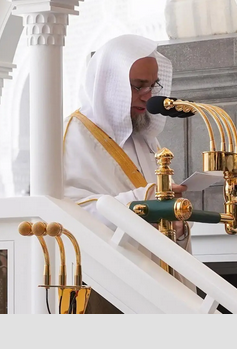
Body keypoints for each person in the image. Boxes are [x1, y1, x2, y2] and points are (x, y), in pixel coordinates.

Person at [62, 34, 195, 312]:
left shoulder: (146, 140)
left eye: (153, 85)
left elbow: (158, 206)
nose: (148, 95)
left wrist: (178, 225)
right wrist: (144, 199)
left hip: (155, 284)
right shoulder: (72, 136)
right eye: (138, 86)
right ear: (110, 84)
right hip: (106, 287)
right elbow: (70, 215)